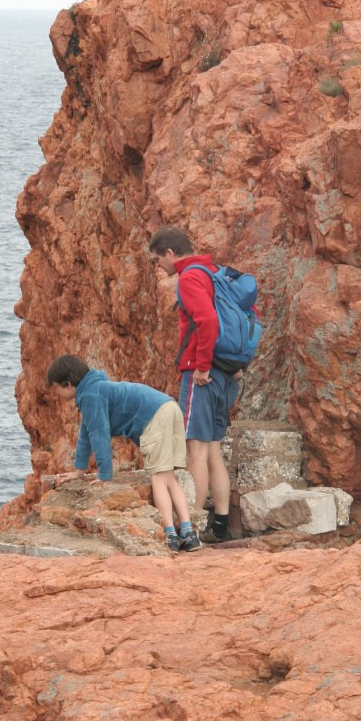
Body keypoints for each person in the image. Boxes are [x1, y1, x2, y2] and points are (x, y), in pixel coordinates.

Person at [46, 354, 201, 552]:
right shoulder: (97, 388)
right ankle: (189, 534)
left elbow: (99, 435)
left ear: (67, 383)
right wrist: (79, 469)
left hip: (154, 417)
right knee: (170, 478)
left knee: (159, 480)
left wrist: (104, 475)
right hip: (169, 408)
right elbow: (86, 432)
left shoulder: (91, 396)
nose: (55, 394)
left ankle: (171, 534)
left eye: (56, 388)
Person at [147, 224, 238, 543]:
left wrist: (201, 366)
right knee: (213, 449)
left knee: (194, 451)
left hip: (201, 374)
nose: (159, 267)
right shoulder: (215, 271)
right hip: (226, 372)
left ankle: (193, 527)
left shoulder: (189, 278)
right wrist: (231, 365)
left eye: (157, 260)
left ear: (170, 253)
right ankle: (221, 525)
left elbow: (208, 322)